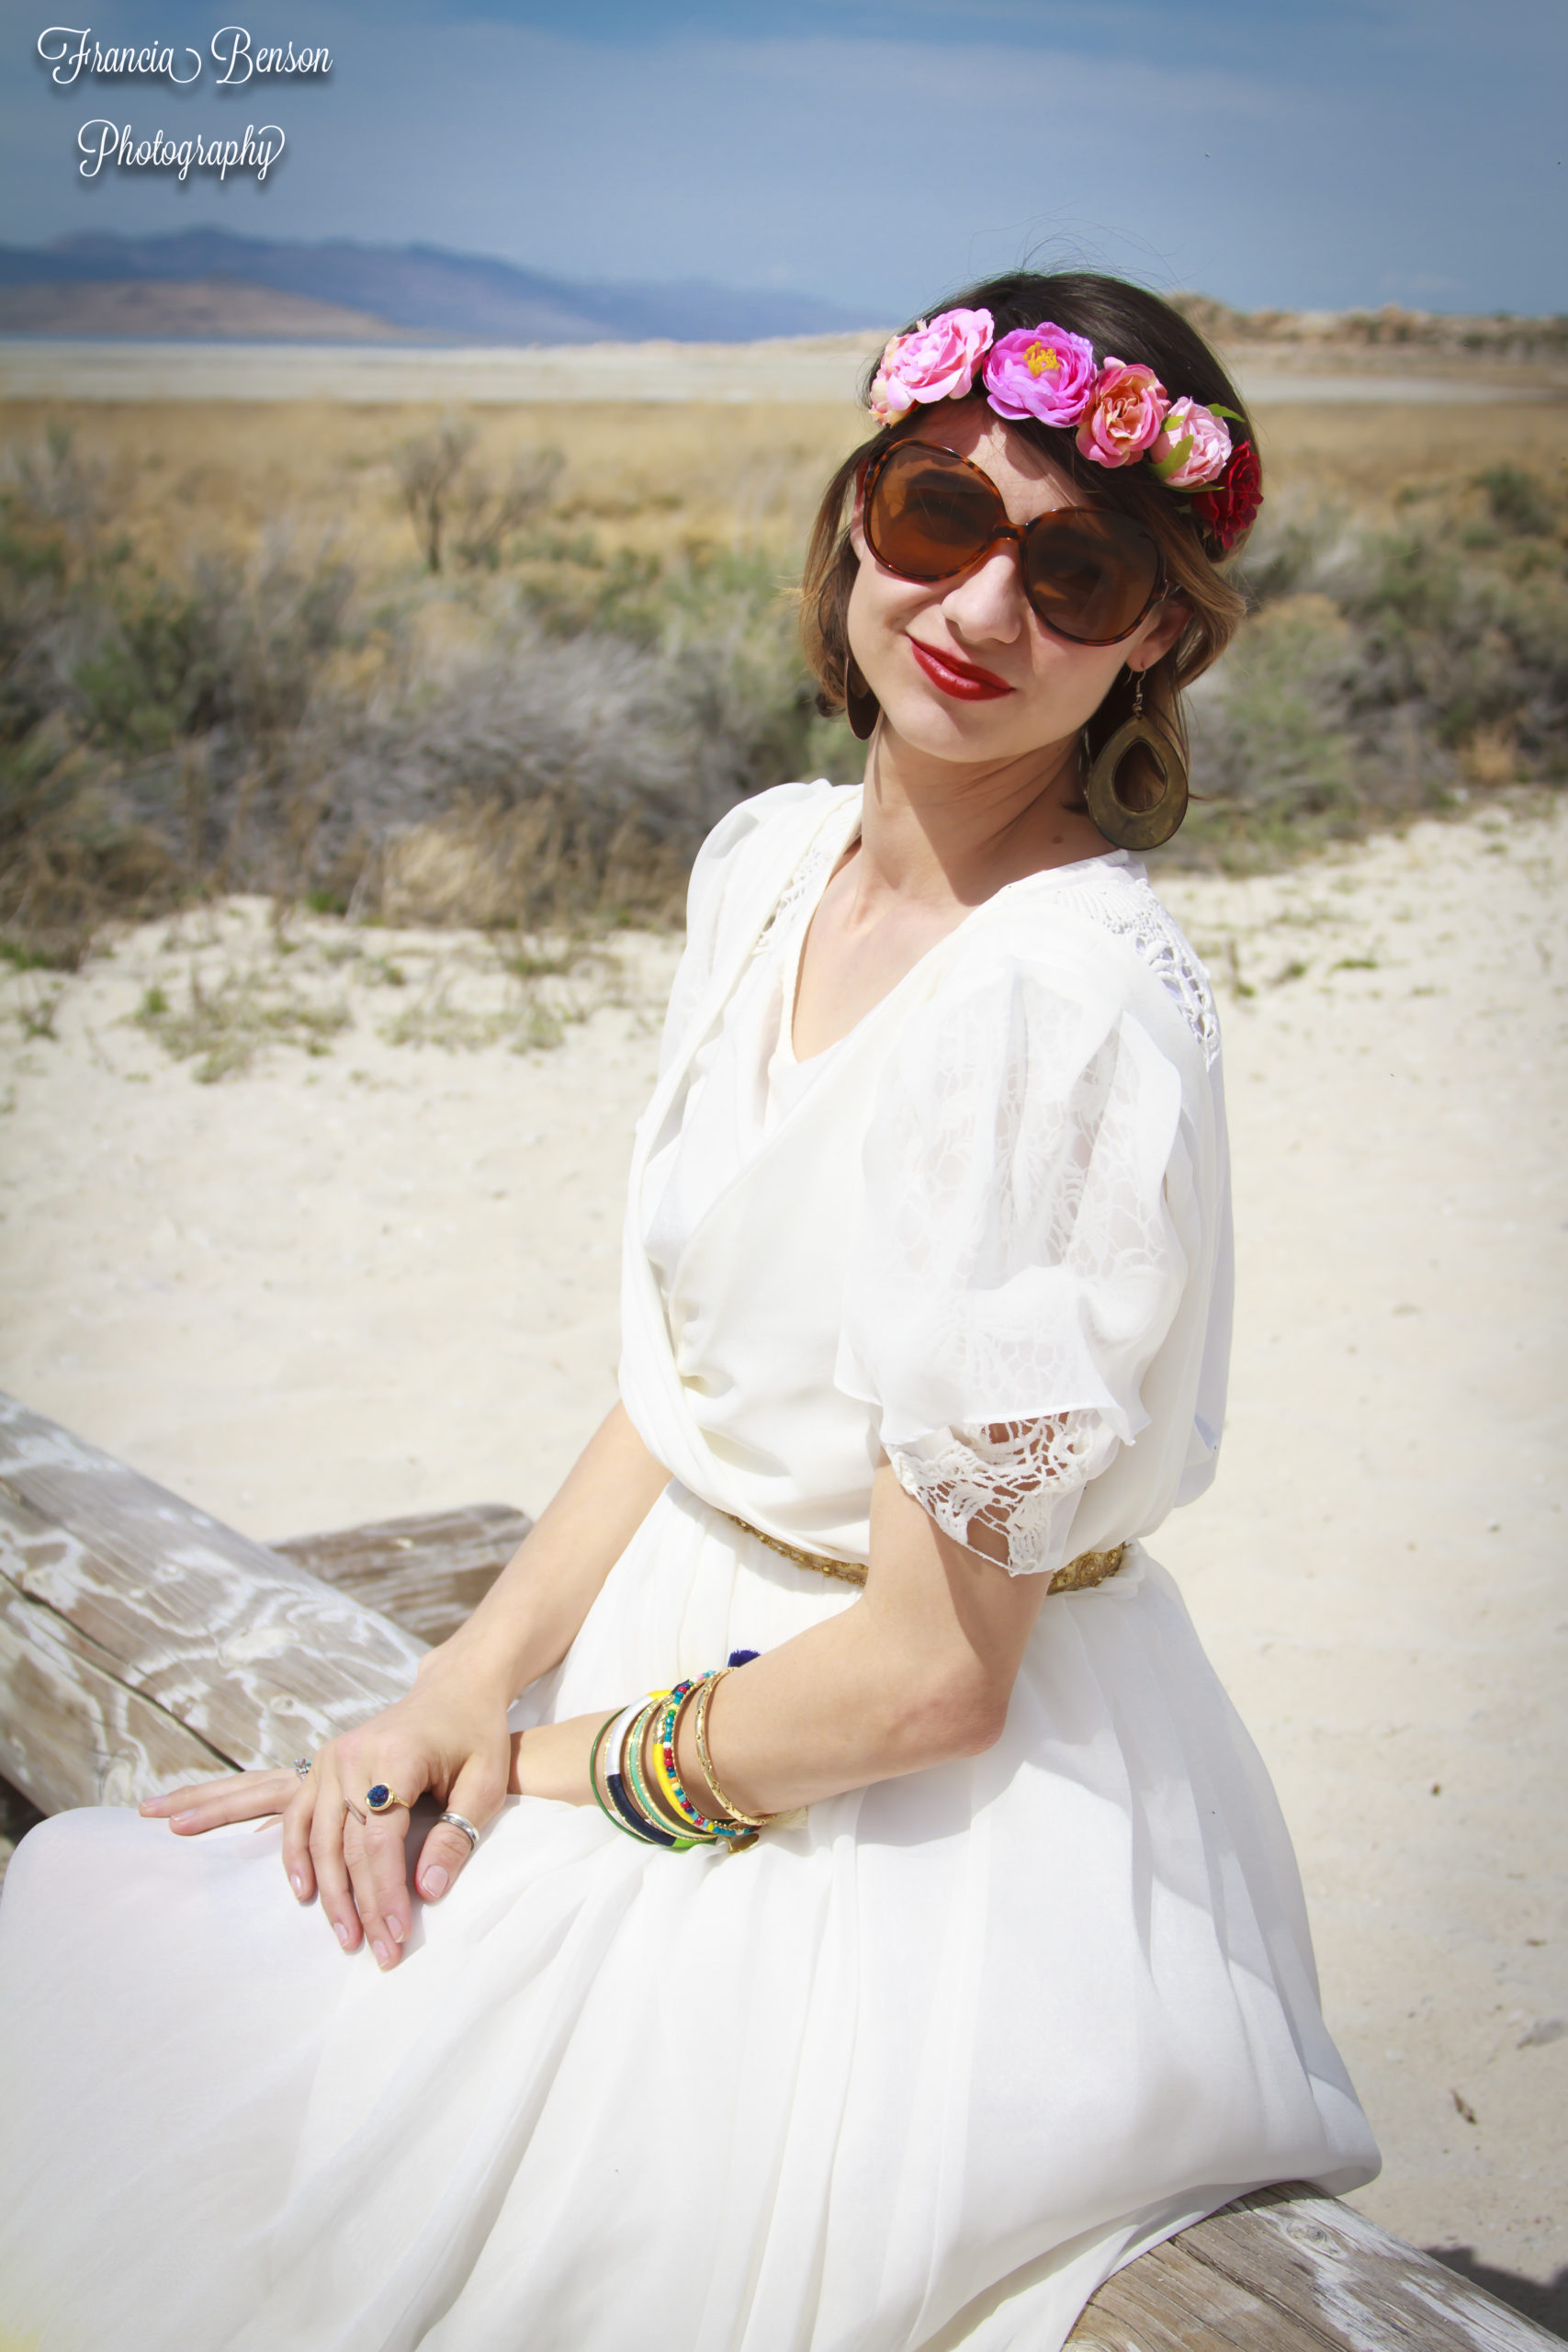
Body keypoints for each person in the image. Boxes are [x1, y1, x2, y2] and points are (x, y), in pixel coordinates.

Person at [0, 270, 1377, 2352]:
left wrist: (532, 1770)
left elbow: (935, 1677)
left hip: (914, 1828)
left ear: (1157, 634)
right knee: (135, 1926)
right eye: (937, 515)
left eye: (1074, 569)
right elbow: (688, 1385)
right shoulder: (765, 862)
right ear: (855, 520)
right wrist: (453, 1689)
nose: (978, 607)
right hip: (662, 1670)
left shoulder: (1054, 1010)